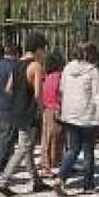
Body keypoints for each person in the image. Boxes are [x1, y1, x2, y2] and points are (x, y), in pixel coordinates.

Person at [0, 33, 52, 197]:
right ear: (38, 49)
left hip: (16, 110)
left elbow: (8, 88)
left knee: (27, 147)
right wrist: (41, 112)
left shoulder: (16, 65)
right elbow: (38, 94)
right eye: (44, 49)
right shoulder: (36, 66)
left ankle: (36, 181)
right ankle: (3, 181)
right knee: (23, 148)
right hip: (29, 111)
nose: (44, 53)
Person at [54, 43, 99, 197]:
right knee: (88, 151)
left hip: (70, 114)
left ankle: (61, 178)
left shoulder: (67, 69)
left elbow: (61, 89)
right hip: (88, 116)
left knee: (73, 149)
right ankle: (88, 184)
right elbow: (98, 97)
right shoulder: (93, 71)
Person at [0, 45, 18, 172]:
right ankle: (1, 162)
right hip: (8, 104)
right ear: (16, 54)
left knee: (3, 134)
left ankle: (6, 160)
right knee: (7, 135)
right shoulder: (14, 67)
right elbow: (12, 87)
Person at [38, 50, 65, 178]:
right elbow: (61, 93)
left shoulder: (46, 77)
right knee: (56, 138)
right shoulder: (60, 76)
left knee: (46, 138)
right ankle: (49, 165)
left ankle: (47, 164)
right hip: (56, 109)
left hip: (46, 109)